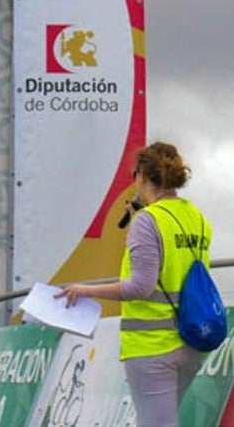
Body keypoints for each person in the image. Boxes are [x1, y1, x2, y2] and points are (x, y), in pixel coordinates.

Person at [57, 141, 212, 427]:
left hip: (152, 344)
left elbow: (141, 286)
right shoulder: (197, 217)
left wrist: (85, 290)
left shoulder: (148, 220)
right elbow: (171, 266)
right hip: (191, 340)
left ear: (141, 175)